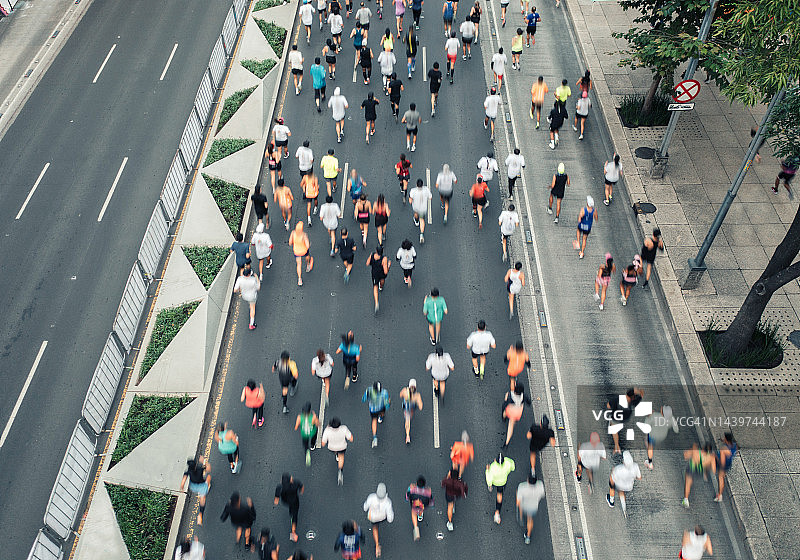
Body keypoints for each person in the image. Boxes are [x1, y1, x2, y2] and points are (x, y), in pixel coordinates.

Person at [363, 483, 394, 558]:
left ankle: (377, 545)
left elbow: (365, 507)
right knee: (381, 522)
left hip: (373, 517)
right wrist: (389, 519)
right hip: (382, 517)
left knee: (375, 528)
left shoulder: (371, 497)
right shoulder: (388, 502)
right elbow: (390, 518)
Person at [607, 450, 641, 517]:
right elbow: (639, 477)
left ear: (624, 462)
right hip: (629, 486)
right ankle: (624, 507)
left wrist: (611, 484)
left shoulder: (618, 469)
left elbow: (613, 478)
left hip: (620, 484)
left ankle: (611, 501)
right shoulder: (635, 466)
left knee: (613, 487)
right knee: (621, 492)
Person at [643, 405, 678, 470]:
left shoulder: (655, 415)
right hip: (662, 436)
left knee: (650, 446)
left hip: (653, 435)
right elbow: (676, 430)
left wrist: (649, 416)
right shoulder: (671, 418)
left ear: (662, 412)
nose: (661, 407)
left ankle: (650, 463)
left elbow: (646, 424)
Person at [321, 417, 353, 485]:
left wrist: (327, 428)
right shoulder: (344, 428)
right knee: (341, 457)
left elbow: (323, 443)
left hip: (332, 448)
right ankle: (340, 471)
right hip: (342, 447)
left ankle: (336, 455)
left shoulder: (327, 431)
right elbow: (351, 439)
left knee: (336, 452)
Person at [485, 452, 515, 524]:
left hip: (495, 482)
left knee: (499, 493)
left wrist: (487, 470)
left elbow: (489, 478)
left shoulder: (493, 467)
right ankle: (497, 513)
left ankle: (497, 514)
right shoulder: (507, 463)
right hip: (503, 482)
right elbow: (513, 467)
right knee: (500, 495)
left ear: (496, 460)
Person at [682, 442, 715, 508]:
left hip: (691, 468)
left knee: (688, 483)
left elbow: (685, 456)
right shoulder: (711, 457)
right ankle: (704, 474)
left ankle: (686, 499)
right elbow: (713, 469)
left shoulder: (696, 452)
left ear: (703, 448)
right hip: (699, 471)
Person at [180, 457, 211, 525]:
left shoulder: (187, 472)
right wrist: (204, 461)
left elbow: (182, 483)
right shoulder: (200, 468)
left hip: (193, 487)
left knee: (201, 495)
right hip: (202, 486)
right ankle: (200, 515)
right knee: (208, 478)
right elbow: (208, 469)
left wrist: (182, 489)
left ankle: (201, 493)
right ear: (195, 465)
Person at [274, 473, 304, 542]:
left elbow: (276, 500)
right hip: (295, 501)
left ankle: (291, 513)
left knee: (291, 510)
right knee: (294, 515)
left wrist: (276, 502)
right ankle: (293, 532)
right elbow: (301, 487)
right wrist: (301, 492)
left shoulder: (280, 488)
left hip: (286, 502)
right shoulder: (295, 483)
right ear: (290, 480)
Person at [516, 474, 545, 545]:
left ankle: (521, 516)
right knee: (530, 519)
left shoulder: (522, 486)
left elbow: (518, 501)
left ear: (528, 480)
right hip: (533, 507)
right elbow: (542, 495)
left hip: (524, 506)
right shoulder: (540, 485)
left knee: (523, 514)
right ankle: (528, 537)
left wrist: (520, 512)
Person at [501, 382, 531, 447]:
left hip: (510, 409)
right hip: (517, 412)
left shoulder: (510, 395)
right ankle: (507, 442)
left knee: (505, 412)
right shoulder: (524, 396)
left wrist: (505, 398)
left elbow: (505, 404)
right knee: (511, 426)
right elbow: (529, 403)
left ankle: (504, 418)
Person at [363, 381, 391, 447]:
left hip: (373, 409)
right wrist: (388, 404)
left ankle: (375, 437)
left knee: (374, 421)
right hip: (381, 407)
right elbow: (387, 404)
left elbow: (363, 399)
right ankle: (381, 418)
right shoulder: (384, 392)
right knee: (382, 413)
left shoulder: (369, 390)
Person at [405, 476, 433, 541]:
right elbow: (431, 501)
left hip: (414, 505)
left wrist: (409, 488)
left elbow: (407, 497)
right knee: (421, 510)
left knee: (414, 513)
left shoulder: (412, 489)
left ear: (416, 483)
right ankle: (420, 516)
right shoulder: (428, 492)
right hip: (422, 506)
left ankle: (415, 527)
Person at [367, 245, 391, 313]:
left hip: (374, 273)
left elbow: (367, 263)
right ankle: (381, 287)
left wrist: (370, 257)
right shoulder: (384, 259)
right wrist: (388, 265)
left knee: (375, 287)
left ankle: (377, 302)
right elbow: (385, 271)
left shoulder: (372, 255)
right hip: (381, 273)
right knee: (382, 280)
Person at [289, 221, 314, 286]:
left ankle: (299, 279)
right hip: (304, 250)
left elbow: (290, 243)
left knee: (299, 264)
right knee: (307, 256)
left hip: (296, 251)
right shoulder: (304, 235)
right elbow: (307, 245)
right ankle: (308, 265)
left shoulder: (293, 233)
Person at [399, 378, 423, 443]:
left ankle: (407, 435)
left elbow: (400, 395)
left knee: (407, 421)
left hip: (406, 408)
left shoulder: (404, 391)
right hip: (412, 407)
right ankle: (411, 414)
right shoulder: (417, 396)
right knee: (411, 413)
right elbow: (420, 407)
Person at [715, 432, 737, 502]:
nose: (724, 439)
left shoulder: (723, 449)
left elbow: (722, 461)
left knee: (721, 478)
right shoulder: (734, 445)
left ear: (727, 439)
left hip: (723, 465)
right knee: (722, 477)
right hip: (729, 463)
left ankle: (719, 495)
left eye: (725, 438)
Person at [408, 178, 431, 243]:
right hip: (423, 208)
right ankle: (421, 234)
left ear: (416, 185)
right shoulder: (426, 189)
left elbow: (410, 201)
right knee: (422, 220)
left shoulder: (413, 190)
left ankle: (416, 221)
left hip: (416, 207)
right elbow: (430, 197)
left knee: (416, 214)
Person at [250, 218, 272, 282]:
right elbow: (270, 245)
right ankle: (268, 264)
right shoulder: (266, 236)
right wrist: (271, 247)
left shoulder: (255, 235)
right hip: (266, 250)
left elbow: (253, 243)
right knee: (268, 257)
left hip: (259, 251)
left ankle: (261, 274)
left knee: (261, 261)